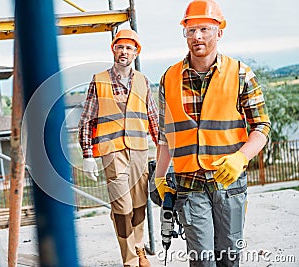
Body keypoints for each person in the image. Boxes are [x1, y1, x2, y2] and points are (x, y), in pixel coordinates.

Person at [155, 0, 271, 266]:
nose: (197, 36)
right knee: (201, 261)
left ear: (219, 32)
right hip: (189, 185)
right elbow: (165, 134)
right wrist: (159, 176)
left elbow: (262, 126)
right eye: (191, 30)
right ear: (184, 33)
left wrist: (241, 158)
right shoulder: (169, 78)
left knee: (229, 258)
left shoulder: (241, 74)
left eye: (205, 29)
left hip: (229, 185)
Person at [78, 29, 158, 267]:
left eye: (129, 48)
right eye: (120, 47)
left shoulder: (143, 81)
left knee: (139, 205)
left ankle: (139, 247)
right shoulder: (99, 80)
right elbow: (87, 120)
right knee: (122, 207)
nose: (124, 52)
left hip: (139, 151)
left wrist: (164, 150)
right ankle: (130, 260)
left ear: (136, 52)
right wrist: (87, 154)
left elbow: (153, 118)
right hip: (112, 152)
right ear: (113, 49)